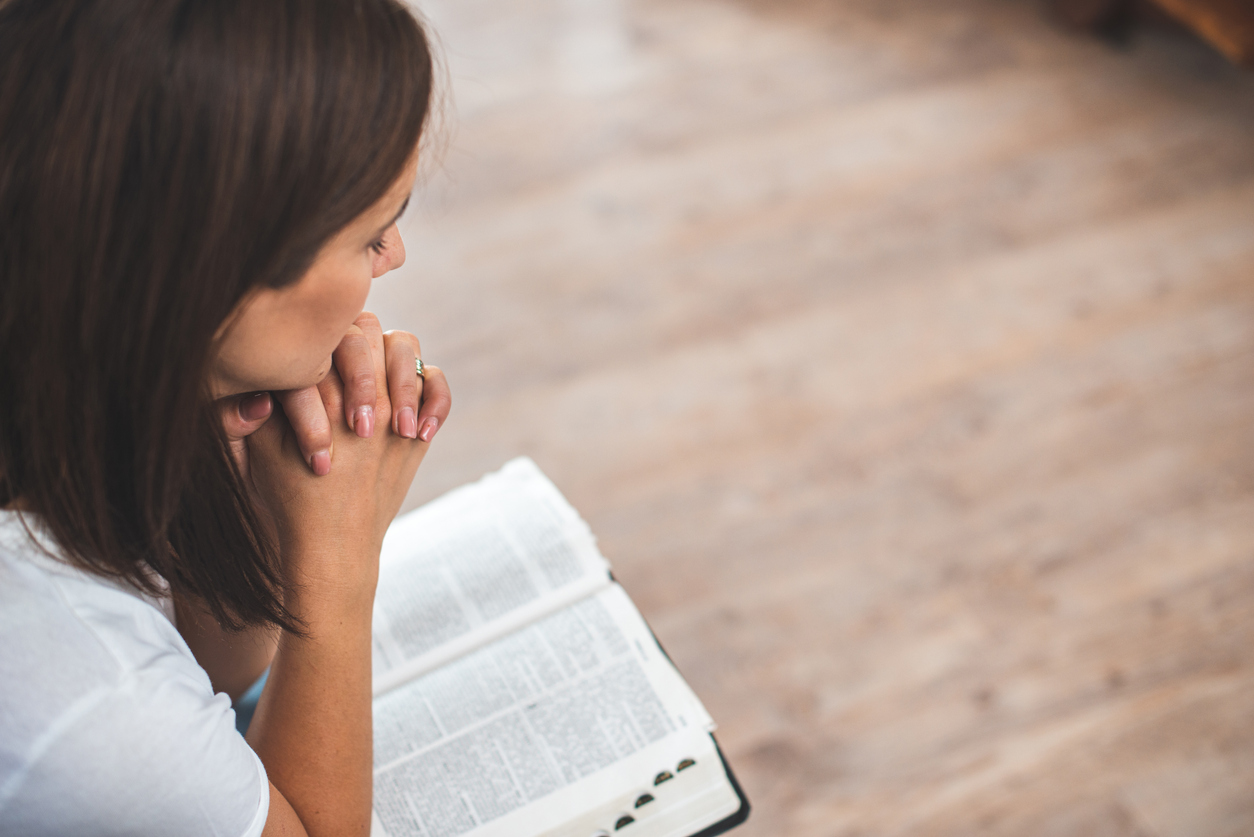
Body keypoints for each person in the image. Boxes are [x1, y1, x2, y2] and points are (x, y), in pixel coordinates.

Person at [0, 1, 452, 834]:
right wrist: (338, 567)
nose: (394, 257)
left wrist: (248, 489)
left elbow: (202, 670)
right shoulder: (81, 696)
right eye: (369, 232)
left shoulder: (66, 387)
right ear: (215, 274)